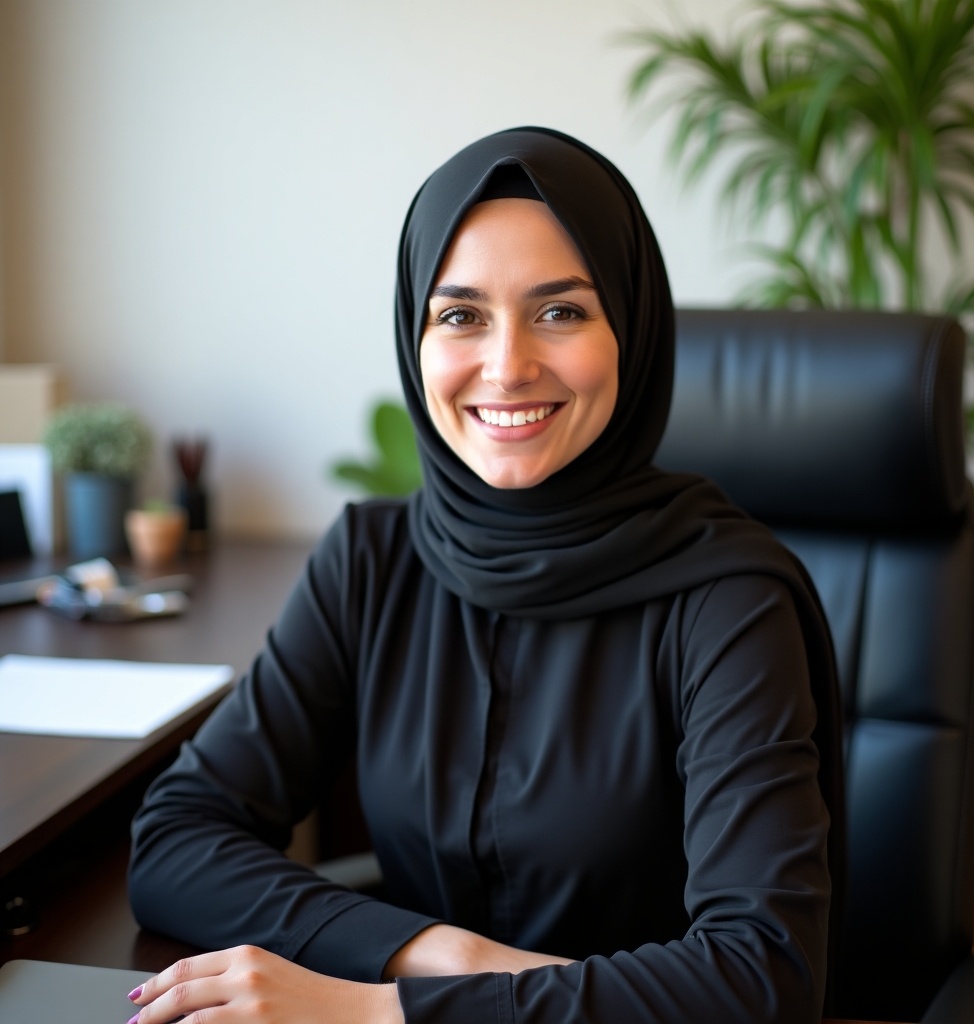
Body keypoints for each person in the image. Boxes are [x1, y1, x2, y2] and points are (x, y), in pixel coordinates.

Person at [126, 127, 843, 1024]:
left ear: (632, 328)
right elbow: (177, 837)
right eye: (461, 314)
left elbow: (760, 977)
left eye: (561, 311)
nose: (507, 366)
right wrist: (441, 955)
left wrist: (387, 1011)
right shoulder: (371, 560)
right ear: (414, 337)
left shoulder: (728, 600)